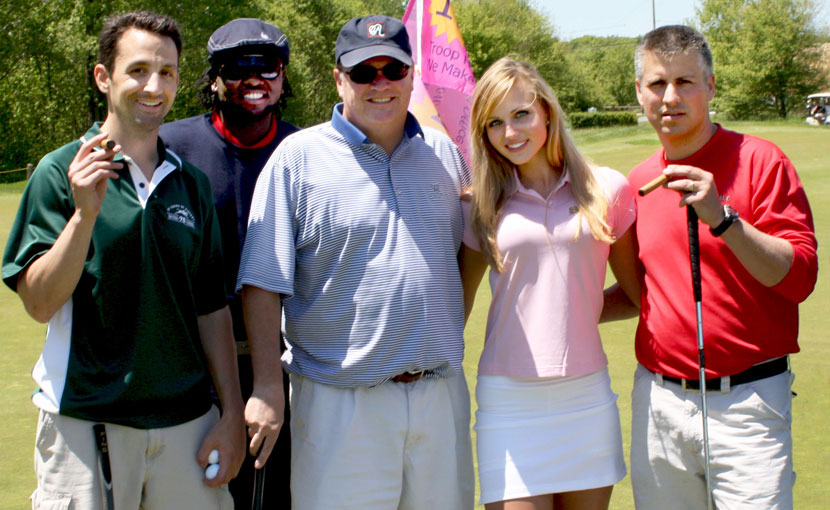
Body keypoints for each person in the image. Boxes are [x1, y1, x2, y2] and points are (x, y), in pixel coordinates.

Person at [1, 11, 245, 509]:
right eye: (137, 70)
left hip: (187, 428)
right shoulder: (58, 172)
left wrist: (232, 414)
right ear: (103, 76)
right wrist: (83, 216)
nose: (153, 86)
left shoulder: (190, 184)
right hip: (86, 425)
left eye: (168, 72)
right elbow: (40, 303)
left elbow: (211, 310)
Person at [237, 14, 474, 509]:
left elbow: (456, 264)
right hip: (339, 404)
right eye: (364, 72)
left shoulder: (445, 156)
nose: (380, 83)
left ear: (412, 75)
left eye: (393, 69)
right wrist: (265, 386)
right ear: (339, 79)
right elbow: (262, 282)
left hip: (438, 395)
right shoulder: (297, 158)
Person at [629, 25, 818, 509]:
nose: (670, 97)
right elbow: (641, 293)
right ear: (639, 92)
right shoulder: (638, 182)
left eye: (685, 82)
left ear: (710, 87)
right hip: (659, 406)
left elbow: (799, 279)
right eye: (657, 83)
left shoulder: (761, 161)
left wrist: (723, 218)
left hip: (747, 405)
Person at [460, 57, 640, 510]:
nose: (510, 133)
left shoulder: (607, 189)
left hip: (586, 399)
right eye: (494, 123)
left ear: (546, 110)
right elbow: (454, 306)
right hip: (509, 403)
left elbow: (638, 295)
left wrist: (574, 312)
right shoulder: (480, 203)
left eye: (521, 114)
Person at [160, 18, 300, 509]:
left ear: (283, 78)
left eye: (267, 66)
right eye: (238, 66)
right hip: (189, 370)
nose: (254, 79)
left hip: (289, 371)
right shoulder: (168, 148)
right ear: (214, 77)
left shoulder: (310, 151)